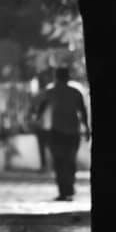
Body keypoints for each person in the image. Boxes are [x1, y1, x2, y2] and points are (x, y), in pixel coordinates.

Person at [34, 65, 90, 200]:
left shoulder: (51, 91)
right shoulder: (75, 92)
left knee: (59, 162)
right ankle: (69, 188)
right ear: (68, 77)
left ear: (56, 77)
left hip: (57, 131)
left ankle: (63, 190)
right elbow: (82, 111)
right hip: (72, 131)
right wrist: (86, 128)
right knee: (70, 160)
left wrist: (37, 119)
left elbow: (42, 107)